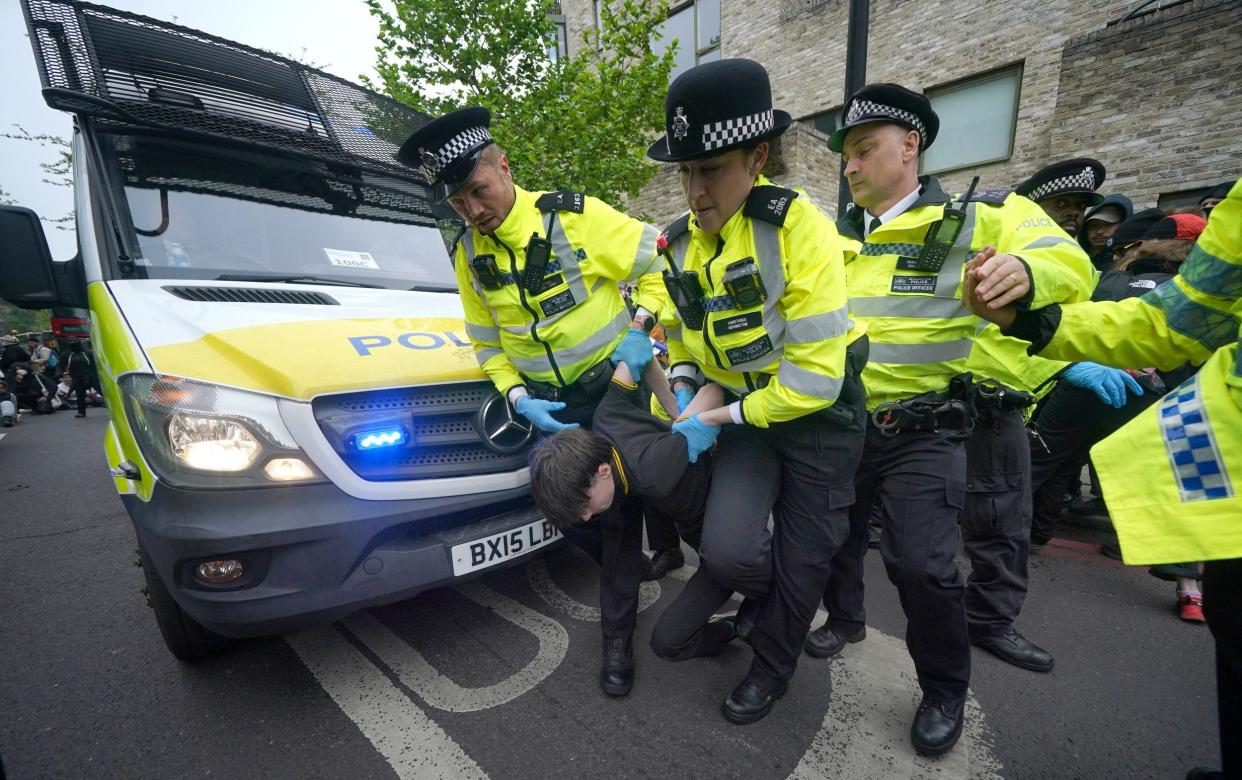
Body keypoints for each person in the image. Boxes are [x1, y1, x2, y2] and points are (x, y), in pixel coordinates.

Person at [811, 83, 1094, 755]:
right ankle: (846, 619)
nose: (849, 166)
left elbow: (1071, 263)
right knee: (838, 538)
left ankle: (943, 687)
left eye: (863, 150)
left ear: (910, 147)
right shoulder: (839, 236)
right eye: (846, 155)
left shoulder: (984, 213)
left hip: (926, 429)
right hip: (849, 425)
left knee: (922, 565)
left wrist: (1024, 271)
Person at [965, 177, 1241, 780]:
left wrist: (1057, 347)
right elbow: (1177, 320)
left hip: (1017, 403)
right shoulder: (976, 228)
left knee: (1007, 515)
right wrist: (1052, 342)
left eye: (1076, 212)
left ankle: (988, 617)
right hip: (967, 401)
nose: (1072, 219)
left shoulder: (1049, 251)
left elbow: (1107, 309)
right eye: (1061, 209)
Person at [398, 106, 669, 698]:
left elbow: (662, 261)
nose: (473, 212)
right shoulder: (469, 254)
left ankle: (618, 634)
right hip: (549, 407)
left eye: (478, 191)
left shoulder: (572, 218)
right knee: (566, 511)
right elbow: (488, 345)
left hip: (611, 389)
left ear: (503, 166)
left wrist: (640, 328)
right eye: (459, 204)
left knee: (617, 518)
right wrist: (518, 395)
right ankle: (639, 560)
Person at [650, 58, 869, 725]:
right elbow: (690, 345)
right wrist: (688, 398)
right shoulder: (681, 243)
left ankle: (772, 667)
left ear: (758, 156)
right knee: (729, 548)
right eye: (684, 171)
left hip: (819, 414)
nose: (693, 190)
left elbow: (809, 383)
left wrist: (715, 416)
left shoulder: (799, 227)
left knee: (806, 555)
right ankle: (767, 604)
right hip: (741, 405)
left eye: (709, 169)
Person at [1015, 158, 1106, 239]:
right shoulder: (1008, 254)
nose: (1074, 212)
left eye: (1081, 206)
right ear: (1034, 207)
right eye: (1060, 203)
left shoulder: (1079, 255)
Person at [1080, 193, 1133, 271]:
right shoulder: (1073, 255)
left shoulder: (1131, 263)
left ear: (1123, 225)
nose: (1100, 231)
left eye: (1108, 224)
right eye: (1094, 225)